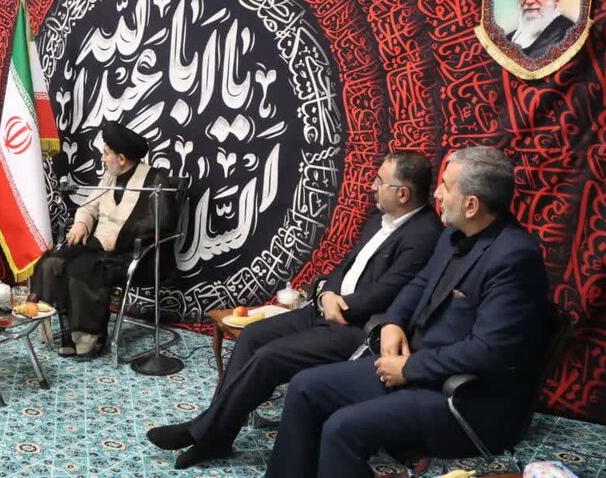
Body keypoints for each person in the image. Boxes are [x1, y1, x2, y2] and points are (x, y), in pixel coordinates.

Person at [266, 146, 551, 478]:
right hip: (416, 369)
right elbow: (419, 283)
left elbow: (488, 352)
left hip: (464, 397)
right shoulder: (453, 234)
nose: (437, 194)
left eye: (446, 186)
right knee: (304, 387)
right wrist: (392, 322)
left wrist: (410, 368)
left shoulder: (515, 257)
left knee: (342, 428)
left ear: (471, 205)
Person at [146, 151, 443, 469]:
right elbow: (344, 267)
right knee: (253, 336)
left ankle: (205, 433)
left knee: (269, 357)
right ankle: (216, 435)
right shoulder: (377, 221)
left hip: (357, 328)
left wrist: (339, 306)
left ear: (403, 193)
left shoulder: (425, 235)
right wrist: (326, 294)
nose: (372, 186)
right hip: (327, 308)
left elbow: (388, 292)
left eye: (380, 181)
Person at [29, 121, 174, 357]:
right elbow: (90, 205)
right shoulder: (110, 176)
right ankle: (62, 331)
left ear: (122, 159)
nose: (102, 159)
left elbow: (161, 223)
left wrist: (120, 236)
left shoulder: (154, 181)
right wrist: (81, 223)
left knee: (79, 269)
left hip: (131, 254)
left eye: (106, 153)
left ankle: (87, 341)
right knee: (51, 262)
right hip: (97, 247)